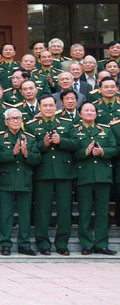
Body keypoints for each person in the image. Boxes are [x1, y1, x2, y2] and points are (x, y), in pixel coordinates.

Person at [24, 94, 77, 256]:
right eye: (44, 106)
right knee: (42, 210)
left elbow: (76, 144)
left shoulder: (67, 123)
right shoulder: (31, 126)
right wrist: (44, 144)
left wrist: (61, 141)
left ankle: (62, 243)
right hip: (43, 172)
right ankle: (43, 243)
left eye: (51, 105)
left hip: (64, 172)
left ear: (56, 107)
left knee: (64, 209)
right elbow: (31, 150)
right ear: (39, 107)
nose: (48, 108)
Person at [72, 102, 117, 255]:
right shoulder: (74, 130)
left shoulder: (105, 129)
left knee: (102, 212)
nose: (90, 113)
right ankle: (86, 244)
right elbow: (71, 152)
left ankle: (101, 244)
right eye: (86, 110)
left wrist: (103, 151)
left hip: (103, 176)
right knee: (84, 212)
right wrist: (86, 151)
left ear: (97, 114)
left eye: (92, 110)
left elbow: (114, 148)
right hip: (84, 176)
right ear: (80, 114)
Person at [0, 108, 41, 256]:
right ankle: (6, 244)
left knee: (25, 215)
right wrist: (12, 153)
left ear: (22, 121)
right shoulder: (0, 137)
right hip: (6, 180)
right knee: (6, 215)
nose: (15, 121)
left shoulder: (29, 138)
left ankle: (24, 244)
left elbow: (38, 159)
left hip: (24, 180)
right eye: (12, 118)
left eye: (18, 118)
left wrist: (27, 155)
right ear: (6, 121)